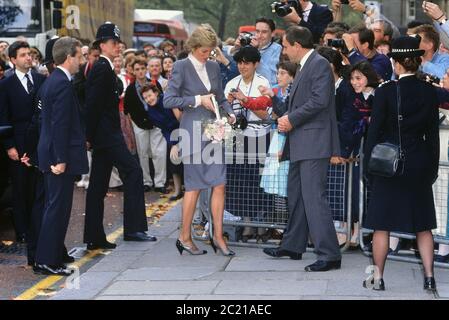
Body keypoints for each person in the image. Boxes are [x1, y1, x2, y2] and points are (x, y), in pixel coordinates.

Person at [363, 36, 440, 291]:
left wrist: (367, 168)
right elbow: (432, 135)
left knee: (381, 225)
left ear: (395, 63)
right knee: (423, 225)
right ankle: (429, 277)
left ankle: (377, 277)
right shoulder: (429, 92)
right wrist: (431, 168)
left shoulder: (385, 91)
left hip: (388, 166)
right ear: (417, 62)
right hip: (419, 164)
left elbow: (373, 133)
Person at [262, 26, 342, 272]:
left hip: (313, 142)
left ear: (297, 45)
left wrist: (292, 119)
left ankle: (329, 254)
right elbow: (301, 102)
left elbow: (320, 101)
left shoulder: (317, 64)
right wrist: (287, 116)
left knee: (313, 198)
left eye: (286, 46)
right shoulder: (308, 66)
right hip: (301, 142)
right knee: (296, 195)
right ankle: (293, 245)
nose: (284, 51)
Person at [163, 24, 236, 256]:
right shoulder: (181, 66)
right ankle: (184, 237)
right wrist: (196, 100)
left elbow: (220, 97)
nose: (207, 55)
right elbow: (169, 100)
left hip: (214, 130)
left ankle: (218, 236)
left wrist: (229, 112)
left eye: (210, 51)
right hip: (192, 132)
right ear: (193, 47)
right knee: (194, 187)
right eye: (204, 51)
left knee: (220, 183)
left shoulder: (214, 67)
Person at [84, 22, 157, 249]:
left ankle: (94, 237)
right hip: (107, 135)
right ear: (102, 45)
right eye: (113, 42)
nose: (118, 46)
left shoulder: (104, 68)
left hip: (104, 136)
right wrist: (89, 136)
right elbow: (92, 105)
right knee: (133, 172)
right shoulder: (102, 68)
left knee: (97, 186)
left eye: (118, 42)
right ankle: (134, 229)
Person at [33, 37, 88, 276]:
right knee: (57, 209)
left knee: (56, 208)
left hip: (52, 153)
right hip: (56, 157)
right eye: (80, 56)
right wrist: (60, 159)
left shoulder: (54, 81)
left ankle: (51, 257)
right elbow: (59, 125)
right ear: (69, 58)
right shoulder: (61, 84)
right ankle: (46, 260)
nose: (82, 61)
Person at [0, 41, 46, 243]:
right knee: (20, 188)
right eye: (23, 55)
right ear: (12, 60)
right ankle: (22, 230)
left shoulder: (39, 79)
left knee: (37, 187)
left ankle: (37, 226)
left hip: (38, 141)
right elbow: (3, 117)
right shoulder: (5, 84)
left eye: (29, 54)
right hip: (17, 143)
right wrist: (9, 145)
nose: (28, 58)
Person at [141, 84, 183, 201]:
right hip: (170, 134)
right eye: (146, 98)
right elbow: (164, 129)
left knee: (187, 160)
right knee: (173, 159)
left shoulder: (167, 100)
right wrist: (173, 143)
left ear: (156, 93)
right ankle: (178, 189)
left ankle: (191, 188)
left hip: (184, 129)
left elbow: (180, 119)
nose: (149, 99)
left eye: (150, 95)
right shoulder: (150, 112)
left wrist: (177, 143)